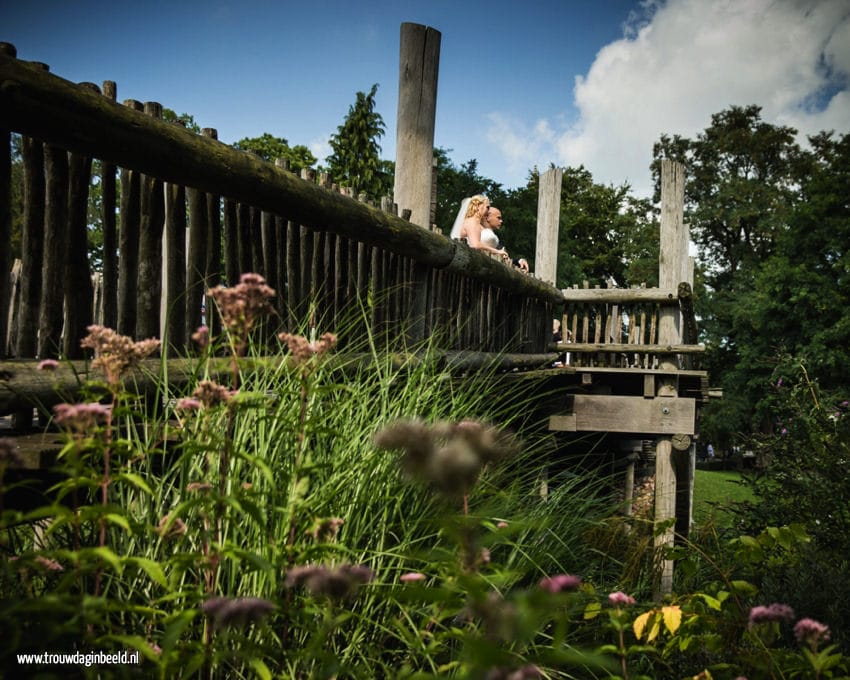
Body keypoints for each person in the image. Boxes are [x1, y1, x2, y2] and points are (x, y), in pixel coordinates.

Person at [449, 195, 510, 262]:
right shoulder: (472, 221)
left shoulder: (477, 223)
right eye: (487, 207)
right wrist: (497, 251)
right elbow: (475, 245)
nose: (488, 210)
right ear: (478, 206)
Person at [483, 207, 529, 273]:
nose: (501, 221)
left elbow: (506, 259)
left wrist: (519, 261)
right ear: (487, 217)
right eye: (498, 218)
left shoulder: (494, 239)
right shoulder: (476, 233)